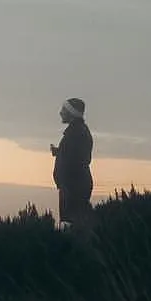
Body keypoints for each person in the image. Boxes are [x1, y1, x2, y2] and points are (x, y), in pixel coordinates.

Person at [51, 97, 94, 231]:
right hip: (73, 185)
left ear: (72, 113)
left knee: (71, 223)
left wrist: (65, 181)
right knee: (73, 222)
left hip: (73, 187)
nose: (60, 113)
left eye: (64, 110)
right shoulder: (77, 132)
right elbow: (76, 155)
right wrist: (59, 152)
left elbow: (78, 160)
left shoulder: (76, 133)